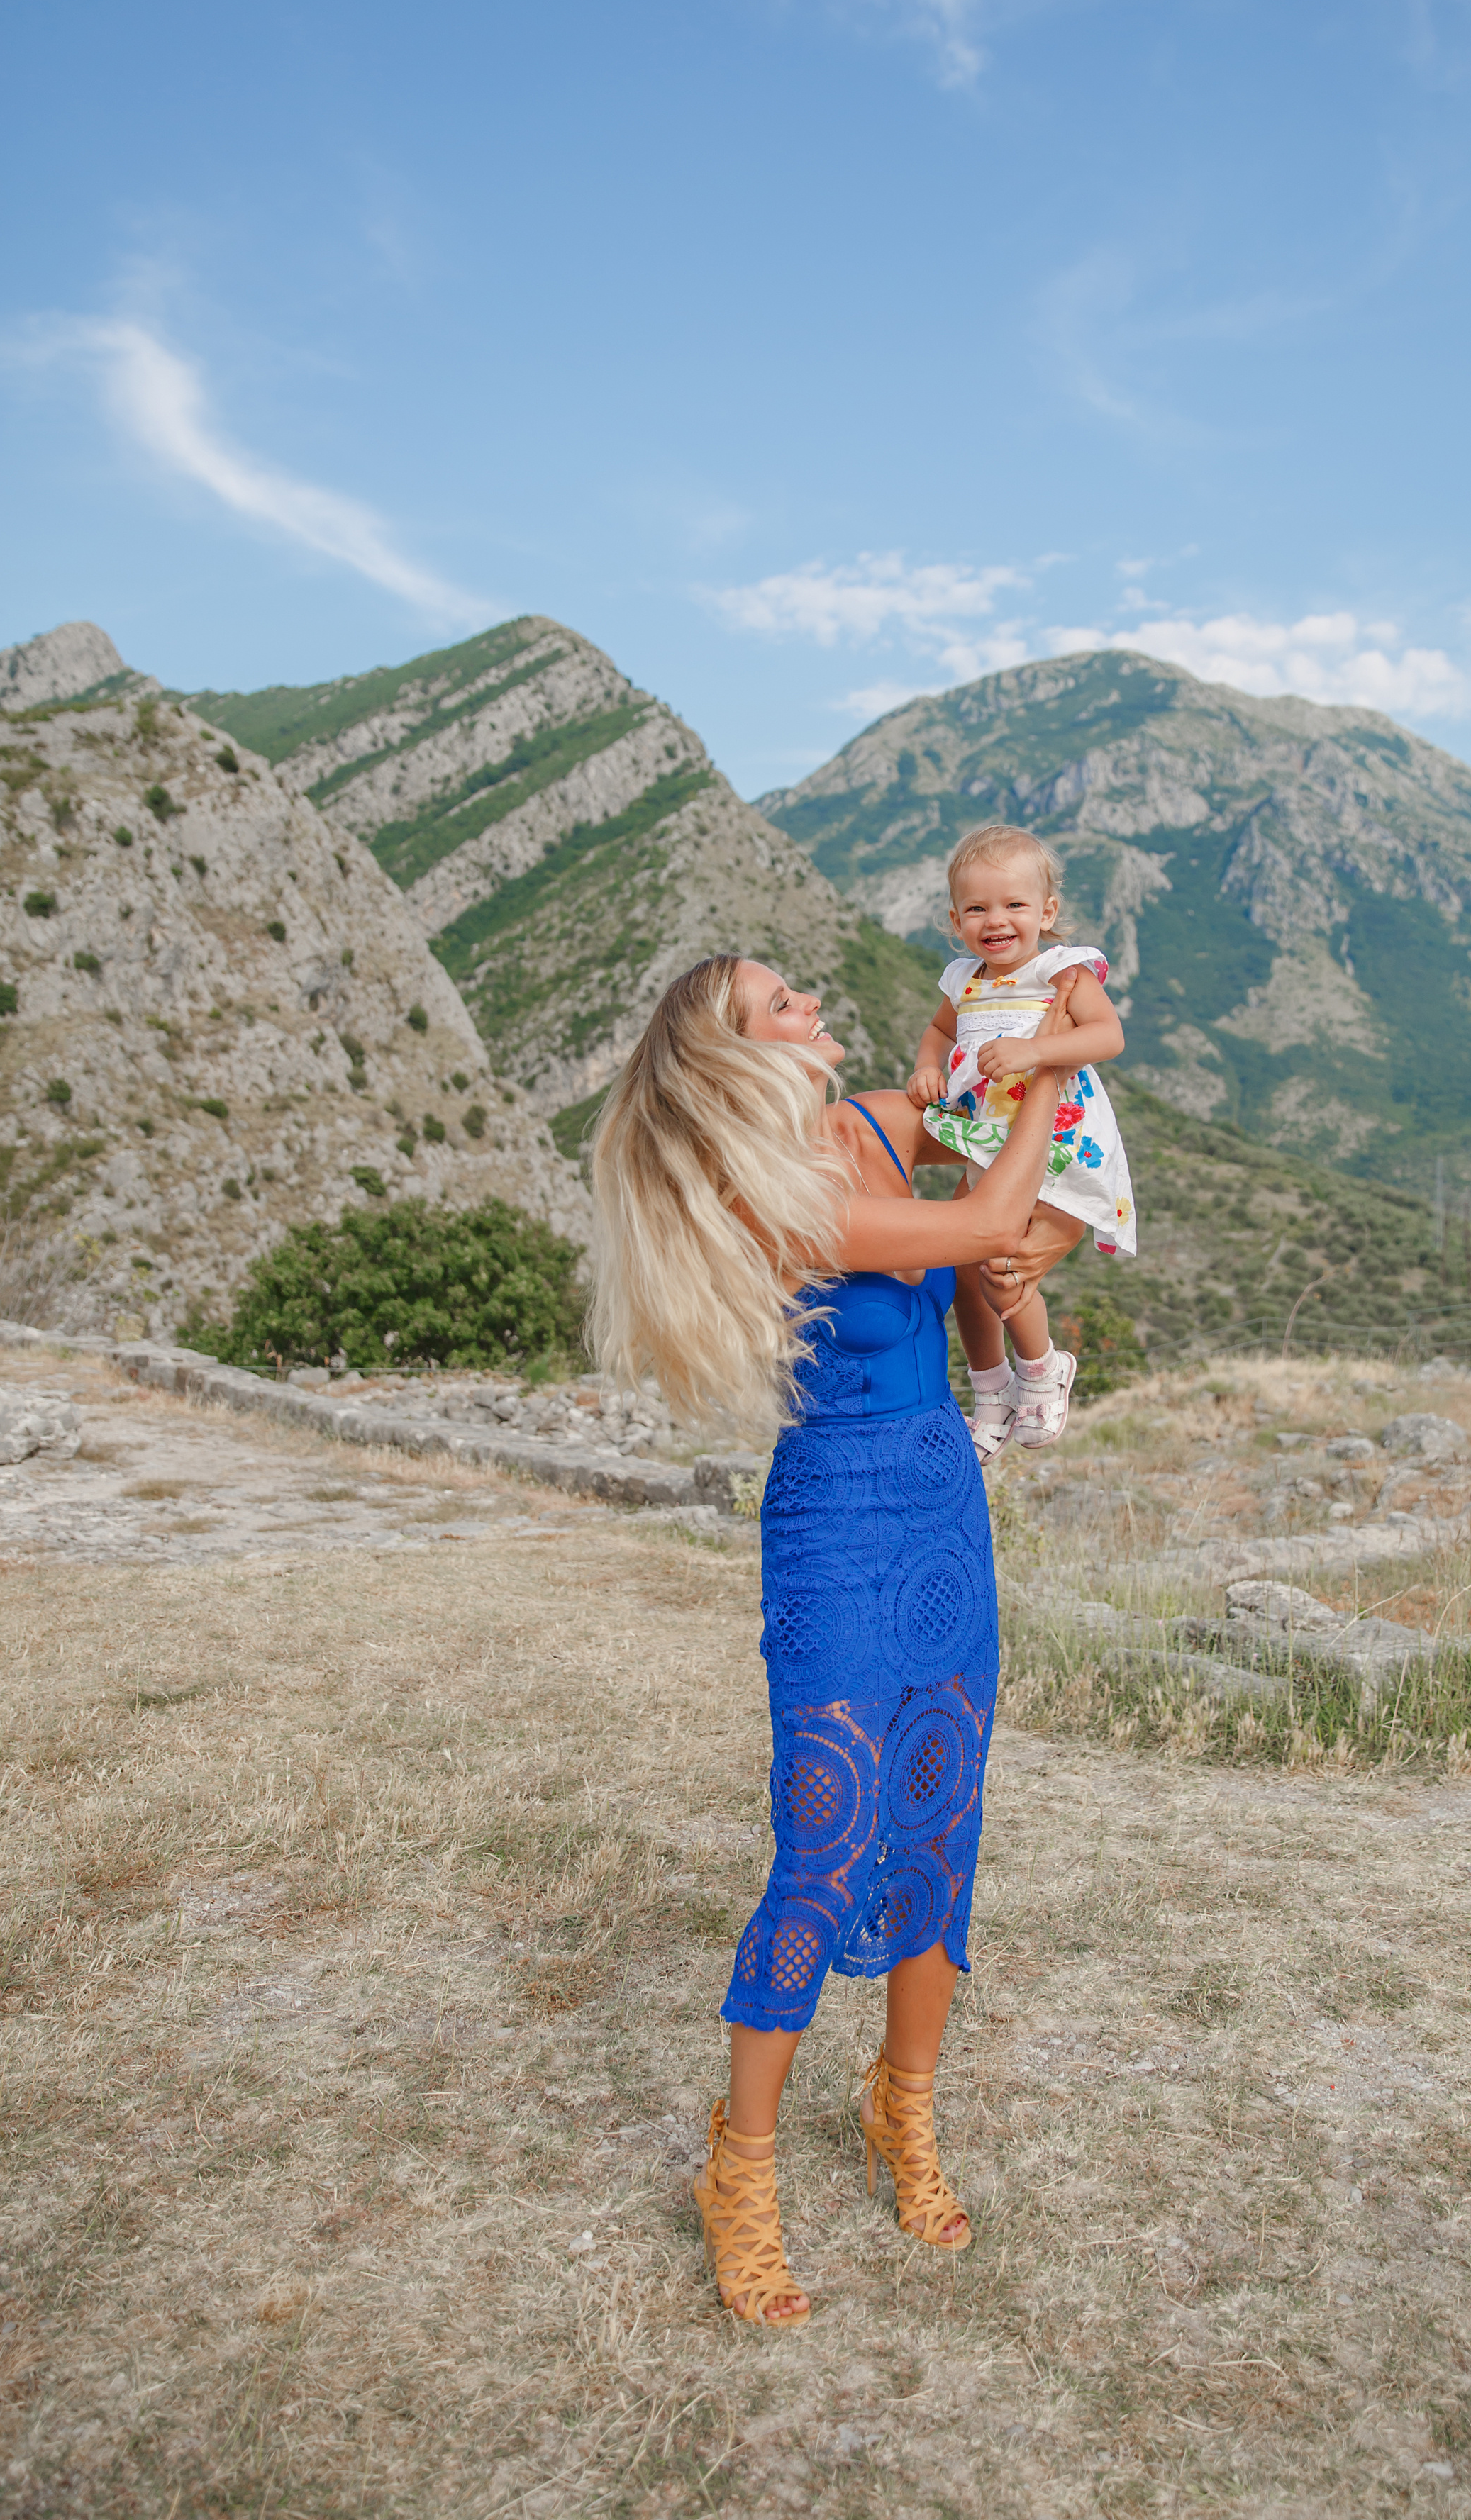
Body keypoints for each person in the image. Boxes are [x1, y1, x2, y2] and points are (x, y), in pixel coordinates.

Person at [588, 953, 1077, 2327]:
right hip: (833, 1519)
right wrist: (1035, 1087)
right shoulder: (768, 1193)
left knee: (939, 1820)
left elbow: (1004, 1173)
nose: (811, 1001)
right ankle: (738, 2173)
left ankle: (900, 2117)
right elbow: (983, 1208)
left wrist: (1023, 1028)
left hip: (941, 1501)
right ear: (734, 1056)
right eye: (779, 1003)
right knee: (825, 1840)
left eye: (800, 989)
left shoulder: (876, 1121)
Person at [909, 824, 1136, 1461]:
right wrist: (929, 1063)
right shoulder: (962, 979)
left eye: (1014, 905)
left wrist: (1035, 1050)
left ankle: (1040, 1369)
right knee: (960, 1269)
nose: (996, 920)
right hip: (991, 1146)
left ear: (1048, 912)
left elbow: (1107, 1036)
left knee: (1004, 1272)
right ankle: (991, 1391)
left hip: (1059, 1142)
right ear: (955, 920)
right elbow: (936, 1030)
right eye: (977, 908)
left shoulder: (1058, 970)